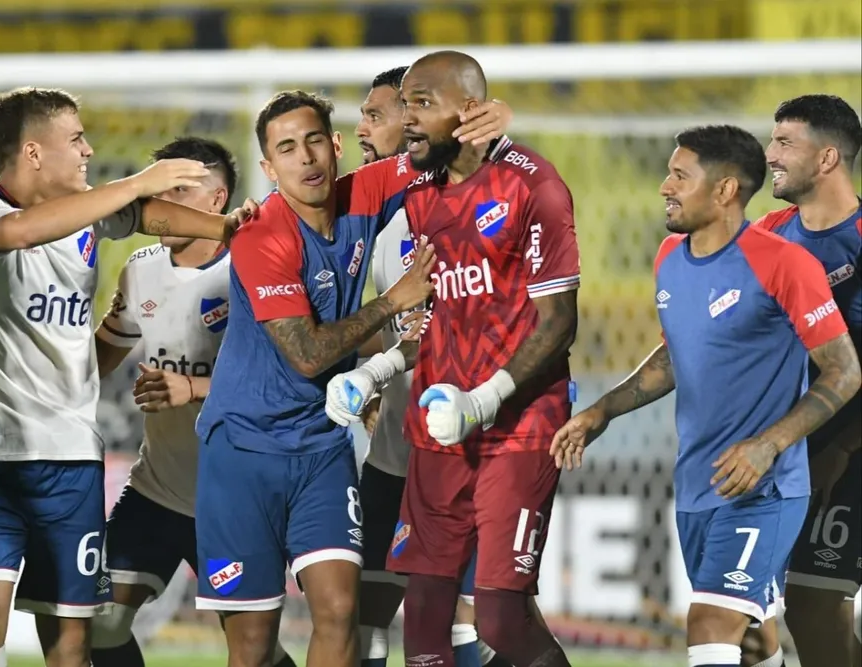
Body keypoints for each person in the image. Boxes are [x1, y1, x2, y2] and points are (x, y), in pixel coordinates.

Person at [0, 87, 246, 667]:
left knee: (75, 642)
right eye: (75, 139)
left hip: (69, 460)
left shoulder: (90, 220)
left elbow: (145, 215)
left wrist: (225, 227)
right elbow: (24, 233)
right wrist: (135, 181)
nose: (89, 149)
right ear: (32, 153)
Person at [549, 124, 862, 667]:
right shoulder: (669, 257)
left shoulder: (785, 262)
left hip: (764, 486)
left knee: (710, 624)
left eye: (679, 176)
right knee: (752, 643)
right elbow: (674, 355)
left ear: (724, 191)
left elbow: (843, 371)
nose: (665, 187)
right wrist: (602, 410)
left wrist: (768, 446)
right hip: (698, 484)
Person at [328, 50, 580, 667]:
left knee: (497, 614)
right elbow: (439, 313)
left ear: (470, 112)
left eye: (421, 104)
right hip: (437, 428)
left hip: (516, 426)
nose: (406, 119)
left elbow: (559, 321)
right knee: (424, 620)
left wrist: (485, 398)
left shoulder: (533, 185)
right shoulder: (418, 192)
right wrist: (376, 370)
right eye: (402, 105)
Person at [192, 87, 442, 667]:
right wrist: (392, 303)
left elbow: (436, 149)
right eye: (286, 149)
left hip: (322, 446)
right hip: (243, 453)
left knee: (338, 610)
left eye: (312, 142)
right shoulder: (262, 236)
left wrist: (491, 125)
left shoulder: (364, 192)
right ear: (268, 166)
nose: (304, 158)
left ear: (334, 146)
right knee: (253, 647)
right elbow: (305, 354)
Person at [89, 135, 294, 667]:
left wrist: (193, 389)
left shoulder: (254, 270)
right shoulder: (141, 269)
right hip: (157, 488)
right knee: (99, 622)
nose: (162, 199)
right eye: (157, 187)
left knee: (256, 652)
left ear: (216, 200)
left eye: (179, 187)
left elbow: (286, 377)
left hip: (234, 497)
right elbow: (98, 359)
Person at [354, 65, 514, 667]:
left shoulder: (483, 196)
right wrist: (372, 377)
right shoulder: (374, 214)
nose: (363, 128)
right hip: (394, 452)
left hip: (466, 450)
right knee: (364, 614)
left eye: (378, 114)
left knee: (465, 621)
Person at [751, 94, 861, 667]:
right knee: (759, 617)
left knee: (815, 609)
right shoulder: (769, 232)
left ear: (827, 158)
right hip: (790, 451)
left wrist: (842, 446)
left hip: (846, 452)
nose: (769, 154)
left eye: (784, 142)